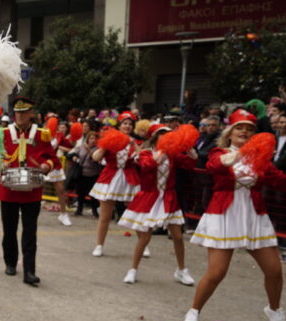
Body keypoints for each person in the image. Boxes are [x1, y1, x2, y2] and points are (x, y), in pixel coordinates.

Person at [184, 109, 286, 321]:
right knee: (217, 272)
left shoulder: (261, 159)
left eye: (249, 129)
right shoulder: (219, 152)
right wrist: (237, 155)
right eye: (240, 127)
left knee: (274, 270)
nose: (244, 132)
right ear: (229, 132)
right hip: (224, 215)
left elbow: (280, 182)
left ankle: (274, 310)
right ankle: (194, 310)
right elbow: (213, 166)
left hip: (254, 215)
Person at [118, 124, 197, 286]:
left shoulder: (173, 154)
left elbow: (188, 164)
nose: (167, 136)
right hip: (149, 198)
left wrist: (190, 152)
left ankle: (181, 271)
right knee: (145, 237)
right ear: (154, 136)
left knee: (178, 236)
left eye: (168, 134)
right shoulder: (145, 153)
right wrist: (162, 150)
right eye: (162, 134)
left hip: (169, 198)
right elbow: (148, 166)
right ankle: (133, 269)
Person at [0, 97, 58, 285]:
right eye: (17, 112)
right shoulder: (3, 133)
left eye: (24, 112)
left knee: (30, 231)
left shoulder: (42, 134)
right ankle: (10, 261)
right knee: (9, 230)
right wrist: (0, 163)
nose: (20, 116)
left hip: (32, 190)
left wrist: (46, 165)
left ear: (32, 113)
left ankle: (29, 271)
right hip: (9, 190)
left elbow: (53, 158)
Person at [89, 113, 140, 257]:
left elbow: (142, 159)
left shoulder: (136, 142)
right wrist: (104, 147)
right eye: (125, 123)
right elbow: (95, 157)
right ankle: (99, 245)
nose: (127, 126)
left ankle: (143, 243)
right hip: (110, 177)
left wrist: (134, 145)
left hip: (129, 178)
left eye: (130, 124)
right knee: (105, 215)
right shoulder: (110, 139)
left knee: (136, 213)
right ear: (119, 125)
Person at [70, 129, 101, 217]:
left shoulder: (98, 149)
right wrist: (75, 157)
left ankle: (95, 211)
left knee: (93, 195)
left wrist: (89, 151)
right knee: (81, 193)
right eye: (91, 138)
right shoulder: (82, 147)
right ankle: (79, 210)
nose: (93, 140)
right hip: (82, 173)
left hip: (93, 174)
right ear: (88, 139)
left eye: (95, 139)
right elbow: (75, 154)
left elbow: (95, 159)